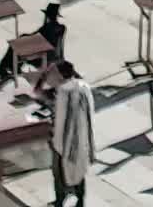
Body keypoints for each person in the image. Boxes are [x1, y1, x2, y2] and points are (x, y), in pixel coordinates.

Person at [48, 61, 94, 207]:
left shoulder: (63, 91)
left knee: (58, 173)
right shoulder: (84, 87)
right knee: (79, 170)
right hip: (82, 136)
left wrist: (55, 138)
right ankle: (80, 200)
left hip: (64, 141)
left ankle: (60, 200)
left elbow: (61, 120)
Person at [0, 3, 65, 79]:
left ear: (48, 16)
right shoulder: (61, 27)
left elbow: (36, 37)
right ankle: (9, 68)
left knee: (16, 46)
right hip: (53, 56)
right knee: (19, 44)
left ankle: (6, 68)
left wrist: (23, 37)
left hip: (43, 57)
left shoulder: (47, 28)